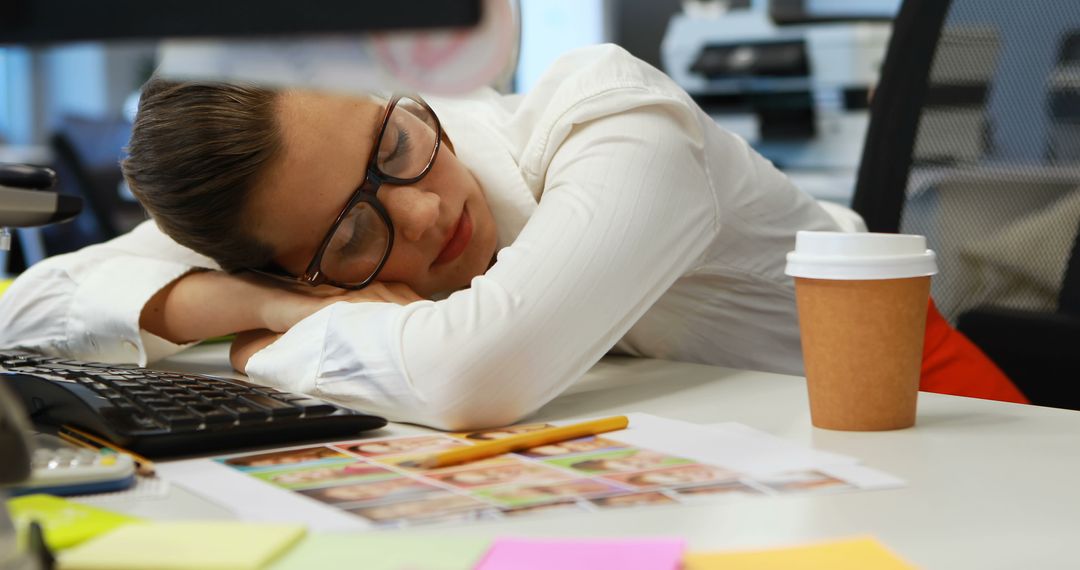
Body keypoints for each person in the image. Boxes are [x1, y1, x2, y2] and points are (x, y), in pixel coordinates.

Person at [0, 44, 869, 431]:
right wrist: (259, 300)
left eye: (396, 145)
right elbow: (26, 312)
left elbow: (473, 371)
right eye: (350, 233)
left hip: (909, 406)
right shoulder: (281, 226)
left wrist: (258, 345)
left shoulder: (606, 112)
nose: (420, 214)